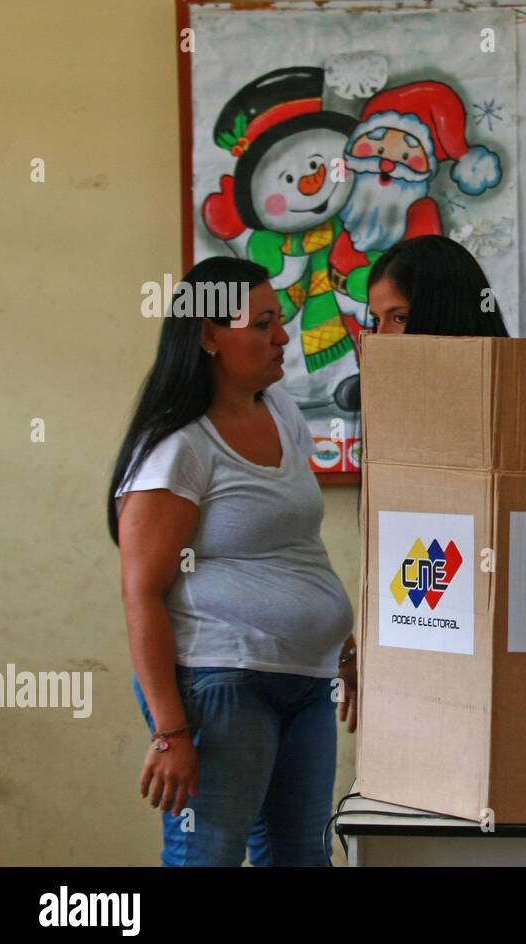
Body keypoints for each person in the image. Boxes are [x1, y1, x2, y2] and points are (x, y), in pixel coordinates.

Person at [108, 256, 356, 866]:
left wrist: (343, 648)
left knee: (301, 857)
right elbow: (141, 593)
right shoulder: (179, 446)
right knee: (207, 856)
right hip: (220, 679)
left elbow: (297, 544)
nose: (282, 337)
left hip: (307, 679)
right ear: (208, 336)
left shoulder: (280, 412)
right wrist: (170, 730)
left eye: (281, 320)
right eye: (262, 323)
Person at [366, 235, 510, 337]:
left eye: (400, 318)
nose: (380, 335)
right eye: (376, 320)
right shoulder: (374, 378)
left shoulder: (517, 377)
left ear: (451, 314)